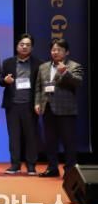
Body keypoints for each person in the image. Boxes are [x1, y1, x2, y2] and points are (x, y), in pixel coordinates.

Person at [35, 38, 84, 177]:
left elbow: (78, 82)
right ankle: (52, 168)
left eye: (59, 50)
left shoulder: (74, 66)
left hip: (66, 110)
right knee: (50, 141)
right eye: (53, 50)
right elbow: (39, 87)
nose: (55, 52)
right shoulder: (43, 67)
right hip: (47, 108)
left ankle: (70, 171)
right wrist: (37, 103)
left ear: (66, 52)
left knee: (68, 141)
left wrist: (65, 72)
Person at [0, 34, 42, 175]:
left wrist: (39, 102)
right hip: (12, 105)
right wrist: (5, 81)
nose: (24, 47)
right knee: (14, 136)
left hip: (30, 105)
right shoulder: (8, 62)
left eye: (28, 45)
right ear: (17, 46)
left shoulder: (39, 64)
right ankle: (15, 165)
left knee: (31, 136)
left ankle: (31, 165)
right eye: (22, 44)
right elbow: (0, 80)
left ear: (32, 48)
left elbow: (40, 85)